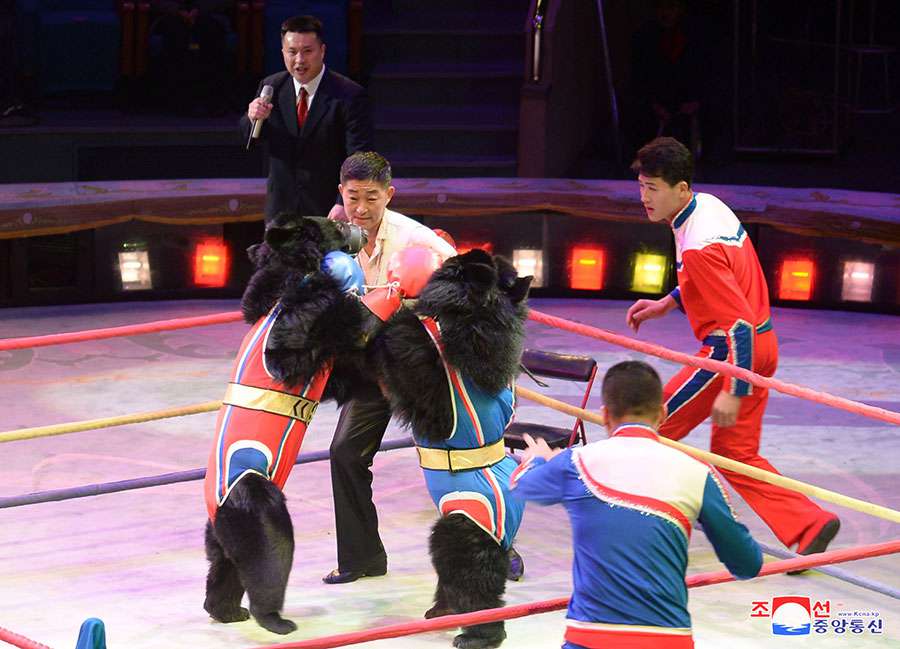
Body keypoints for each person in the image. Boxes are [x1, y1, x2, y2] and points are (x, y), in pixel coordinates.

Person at [625, 137, 840, 569]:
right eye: (642, 186)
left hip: (731, 353)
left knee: (648, 430)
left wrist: (733, 388)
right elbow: (725, 280)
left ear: (681, 189)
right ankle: (808, 525)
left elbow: (736, 322)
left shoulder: (699, 245)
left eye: (653, 188)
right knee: (734, 453)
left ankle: (640, 534)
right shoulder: (706, 207)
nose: (644, 197)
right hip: (763, 344)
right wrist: (668, 302)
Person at [511, 360, 762, 649]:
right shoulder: (698, 473)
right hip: (667, 640)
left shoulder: (577, 463)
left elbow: (521, 486)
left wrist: (536, 460)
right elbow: (747, 564)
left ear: (605, 415)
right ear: (663, 413)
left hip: (590, 638)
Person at [322, 151, 459, 584]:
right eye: (353, 197)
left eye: (371, 197)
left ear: (390, 194)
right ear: (341, 192)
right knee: (345, 453)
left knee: (453, 461)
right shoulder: (335, 237)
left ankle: (496, 547)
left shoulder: (419, 242)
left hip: (422, 364)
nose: (361, 208)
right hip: (371, 364)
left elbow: (466, 292)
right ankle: (362, 559)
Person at [241, 15, 373, 223]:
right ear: (283, 53)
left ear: (322, 51)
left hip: (330, 211)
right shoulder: (271, 87)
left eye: (307, 51)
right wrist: (252, 118)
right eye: (292, 52)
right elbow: (251, 141)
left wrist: (344, 202)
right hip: (282, 212)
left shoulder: (349, 95)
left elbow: (360, 157)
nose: (299, 60)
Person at [150, 1, 235, 113]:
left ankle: (211, 99)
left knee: (212, 37)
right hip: (172, 18)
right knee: (175, 38)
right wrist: (179, 11)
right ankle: (179, 100)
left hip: (208, 17)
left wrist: (198, 10)